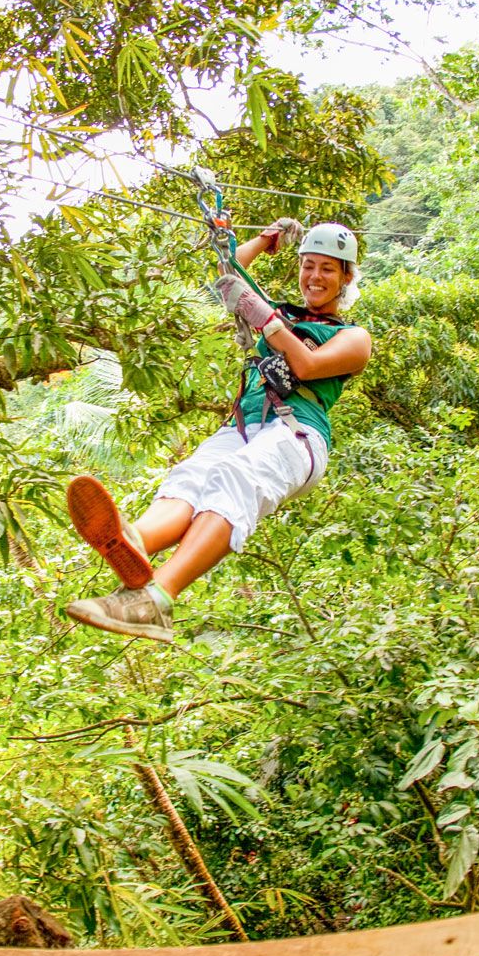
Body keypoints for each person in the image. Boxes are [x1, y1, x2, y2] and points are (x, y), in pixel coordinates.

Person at [63, 218, 372, 642]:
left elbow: (307, 366)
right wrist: (266, 241)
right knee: (191, 478)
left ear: (345, 277)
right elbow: (228, 271)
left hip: (298, 433)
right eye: (308, 265)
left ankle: (158, 599)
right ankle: (134, 540)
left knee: (236, 479)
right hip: (245, 425)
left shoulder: (354, 337)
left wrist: (267, 320)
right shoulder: (283, 313)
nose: (314, 277)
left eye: (327, 269)